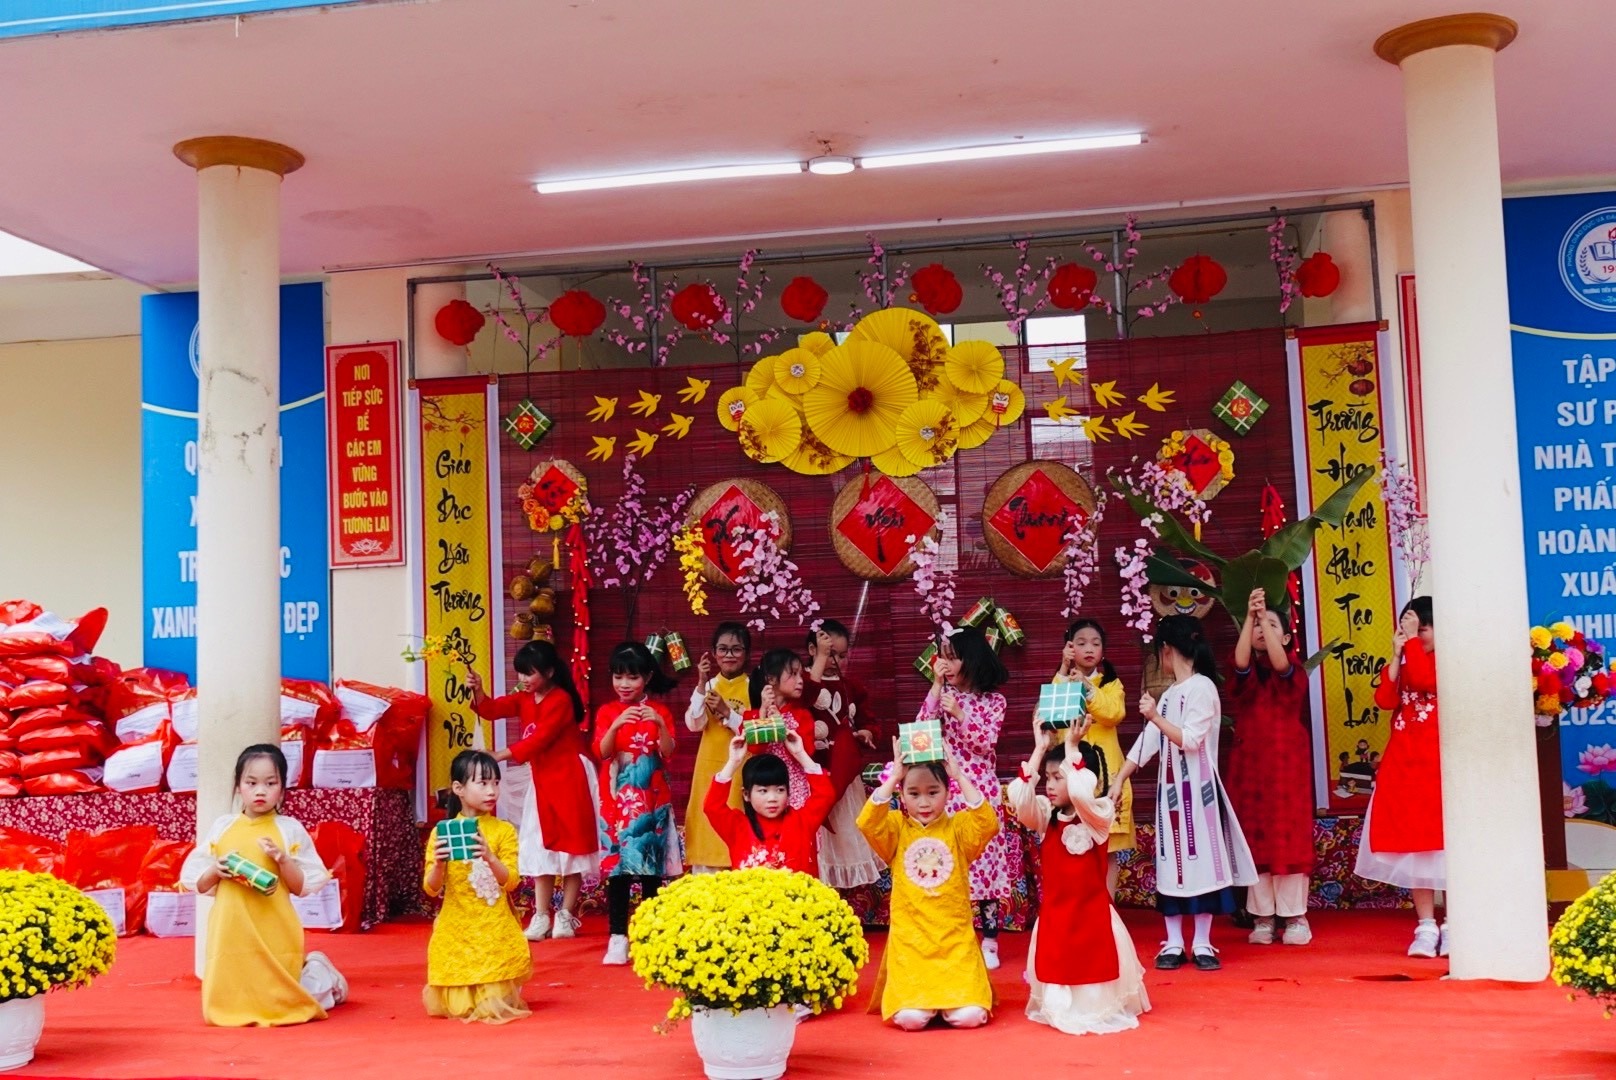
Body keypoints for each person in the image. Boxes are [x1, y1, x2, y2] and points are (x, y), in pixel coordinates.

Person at [1111, 614, 1257, 972]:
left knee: (1201, 861)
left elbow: (1190, 740)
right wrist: (1119, 779)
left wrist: (1155, 718)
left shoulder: (1202, 687)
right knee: (1171, 863)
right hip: (1171, 796)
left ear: (1166, 649)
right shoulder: (1170, 695)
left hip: (1200, 793)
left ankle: (1203, 941)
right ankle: (1174, 941)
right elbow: (1147, 743)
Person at [181, 744, 346, 1027]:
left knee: (284, 1000)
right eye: (251, 783)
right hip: (230, 929)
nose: (260, 791)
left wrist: (283, 860)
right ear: (238, 787)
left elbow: (302, 886)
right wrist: (215, 870)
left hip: (274, 928)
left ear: (282, 790)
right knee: (224, 1007)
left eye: (270, 783)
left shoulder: (289, 828)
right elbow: (196, 881)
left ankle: (323, 977)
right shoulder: (223, 826)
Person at [1009, 717, 1149, 1036]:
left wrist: (1072, 746)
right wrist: (1039, 749)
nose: (1050, 785)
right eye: (1048, 777)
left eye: (1058, 777)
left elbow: (1082, 795)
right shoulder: (1045, 816)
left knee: (1094, 985)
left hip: (1091, 916)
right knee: (1058, 985)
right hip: (1057, 917)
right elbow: (1020, 801)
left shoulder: (1099, 814)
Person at [858, 741, 999, 1031]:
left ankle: (947, 1004)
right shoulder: (896, 827)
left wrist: (959, 776)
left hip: (955, 941)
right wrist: (894, 777)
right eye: (914, 793)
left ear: (948, 792)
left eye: (933, 792)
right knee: (910, 1019)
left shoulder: (958, 827)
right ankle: (932, 1004)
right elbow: (867, 823)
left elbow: (987, 824)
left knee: (969, 1017)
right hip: (911, 943)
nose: (924, 803)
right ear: (901, 794)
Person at [469, 640, 599, 942]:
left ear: (549, 672)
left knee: (572, 848)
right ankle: (541, 916)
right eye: (521, 673)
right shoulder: (524, 698)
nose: (524, 679)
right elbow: (491, 709)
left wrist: (499, 755)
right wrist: (478, 689)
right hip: (542, 780)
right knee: (541, 845)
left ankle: (565, 915)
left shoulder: (561, 700)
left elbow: (540, 739)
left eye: (530, 673)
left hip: (570, 778)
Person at [915, 625, 1013, 970]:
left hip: (979, 789)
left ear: (971, 660)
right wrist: (935, 687)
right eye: (943, 657)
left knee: (986, 864)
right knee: (949, 862)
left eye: (954, 658)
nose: (947, 664)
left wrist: (959, 713)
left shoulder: (994, 701)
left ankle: (990, 940)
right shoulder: (941, 695)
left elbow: (985, 743)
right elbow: (921, 732)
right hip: (946, 791)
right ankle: (953, 935)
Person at [1355, 597, 1446, 958]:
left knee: (1446, 846)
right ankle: (1425, 926)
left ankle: (1455, 925)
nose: (1417, 635)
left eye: (1423, 628)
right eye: (1411, 629)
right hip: (1405, 763)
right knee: (1415, 846)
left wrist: (1410, 647)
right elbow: (1385, 700)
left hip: (1439, 764)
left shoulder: (1447, 659)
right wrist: (1396, 655)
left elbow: (1425, 679)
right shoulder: (1408, 656)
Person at [1223, 589, 1315, 946]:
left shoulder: (1293, 672)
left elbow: (1281, 665)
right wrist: (1250, 617)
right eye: (1259, 626)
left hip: (1286, 768)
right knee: (1254, 839)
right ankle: (1263, 917)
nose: (1263, 629)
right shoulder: (1245, 675)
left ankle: (1295, 917)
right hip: (1250, 769)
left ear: (1287, 638)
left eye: (1272, 625)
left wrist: (1261, 615)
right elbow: (1240, 663)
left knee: (1287, 839)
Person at [422, 750, 531, 1024]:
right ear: (458, 789)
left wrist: (490, 857)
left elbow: (511, 881)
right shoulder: (442, 832)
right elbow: (431, 889)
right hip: (456, 929)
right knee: (460, 1005)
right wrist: (439, 865)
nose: (492, 791)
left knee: (492, 1002)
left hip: (494, 929)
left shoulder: (503, 830)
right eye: (482, 783)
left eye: (496, 783)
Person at [595, 640, 681, 966]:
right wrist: (617, 724)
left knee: (650, 870)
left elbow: (669, 752)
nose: (624, 684)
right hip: (616, 799)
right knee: (617, 870)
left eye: (632, 677)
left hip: (651, 799)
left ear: (647, 677)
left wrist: (658, 724)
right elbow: (602, 752)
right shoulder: (607, 711)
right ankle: (618, 936)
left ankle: (650, 935)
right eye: (618, 676)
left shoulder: (660, 711)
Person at [802, 620, 886, 889]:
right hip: (815, 773)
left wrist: (867, 733)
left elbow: (868, 720)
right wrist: (820, 661)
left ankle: (848, 896)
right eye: (829, 654)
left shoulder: (852, 687)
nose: (835, 661)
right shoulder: (801, 681)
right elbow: (803, 701)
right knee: (820, 834)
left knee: (846, 832)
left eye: (841, 655)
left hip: (846, 774)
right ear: (812, 650)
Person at [1053, 618, 1133, 894]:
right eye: (1081, 643)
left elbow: (1114, 713)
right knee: (1074, 842)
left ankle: (1108, 908)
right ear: (1069, 648)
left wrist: (1087, 687)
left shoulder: (1111, 684)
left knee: (1107, 847)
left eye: (1095, 644)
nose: (1089, 649)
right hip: (1073, 771)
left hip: (1106, 773)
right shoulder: (1062, 681)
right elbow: (1054, 717)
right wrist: (1063, 669)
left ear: (1103, 651)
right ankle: (1081, 906)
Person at [704, 730, 836, 874]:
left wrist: (800, 754)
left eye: (780, 790)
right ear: (746, 794)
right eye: (763, 791)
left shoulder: (802, 821)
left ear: (788, 792)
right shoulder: (737, 827)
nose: (772, 798)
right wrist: (733, 762)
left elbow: (825, 795)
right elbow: (712, 807)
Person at [682, 622, 754, 873]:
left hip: (742, 768)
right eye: (723, 649)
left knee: (736, 826)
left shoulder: (753, 686)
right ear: (713, 654)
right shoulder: (709, 684)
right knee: (707, 822)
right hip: (709, 769)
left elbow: (756, 732)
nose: (729, 655)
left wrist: (727, 712)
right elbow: (694, 723)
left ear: (747, 653)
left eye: (736, 649)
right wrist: (701, 684)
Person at [742, 647, 815, 810]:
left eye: (801, 675)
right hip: (765, 788)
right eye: (793, 674)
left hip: (795, 789)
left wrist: (781, 724)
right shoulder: (752, 716)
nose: (800, 680)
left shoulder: (802, 715)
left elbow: (807, 751)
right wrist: (763, 713)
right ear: (771, 679)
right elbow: (755, 749)